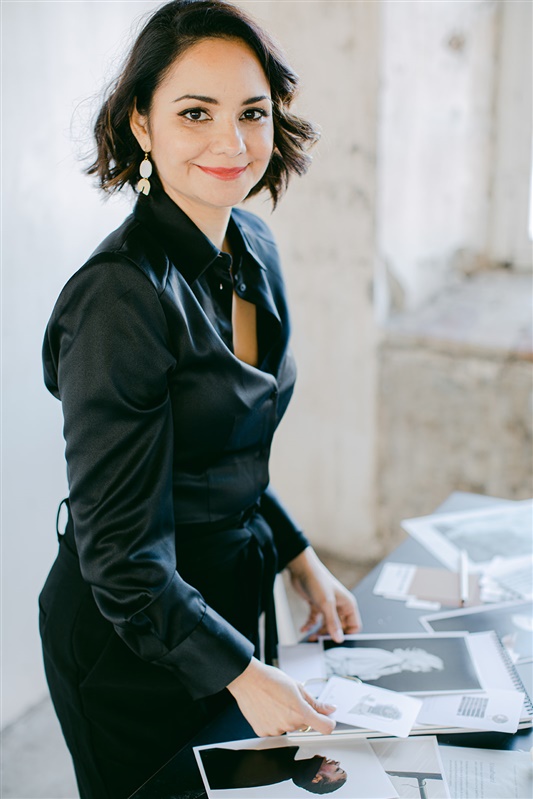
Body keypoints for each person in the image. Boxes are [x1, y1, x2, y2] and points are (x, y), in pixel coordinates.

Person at [38, 2, 361, 798]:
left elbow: (227, 444)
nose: (233, 142)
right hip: (131, 639)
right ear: (142, 125)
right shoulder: (119, 296)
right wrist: (240, 673)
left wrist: (296, 552)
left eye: (252, 112)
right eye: (195, 113)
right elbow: (118, 554)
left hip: (223, 606)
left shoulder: (251, 244)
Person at [200, 745, 347, 794]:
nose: (338, 763)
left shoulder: (277, 769)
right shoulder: (285, 767)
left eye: (337, 770)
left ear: (316, 778)